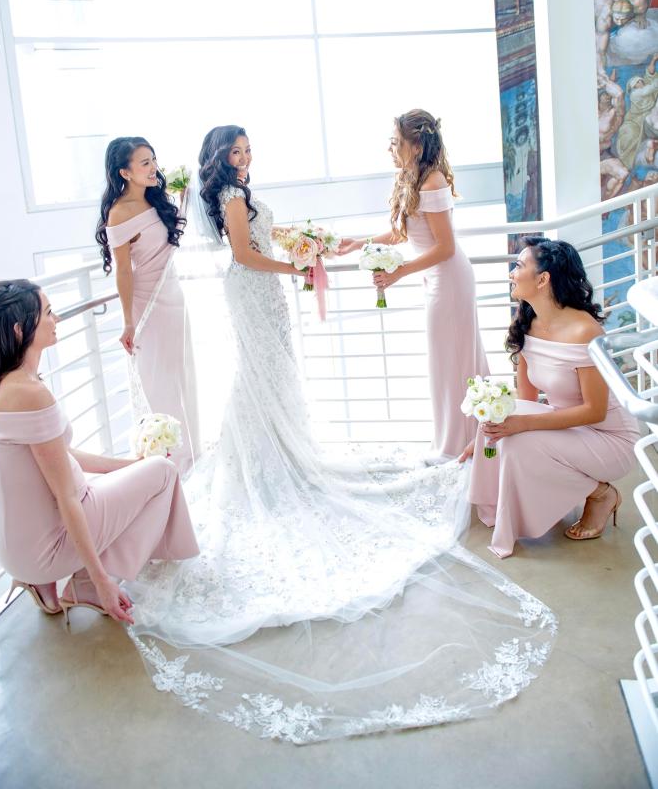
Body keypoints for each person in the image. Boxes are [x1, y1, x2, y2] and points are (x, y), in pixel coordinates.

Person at [122, 124, 556, 744]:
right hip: (255, 287)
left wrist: (308, 246)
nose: (245, 156)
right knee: (259, 375)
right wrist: (296, 265)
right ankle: (263, 463)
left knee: (270, 376)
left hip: (262, 290)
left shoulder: (236, 192)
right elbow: (245, 255)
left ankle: (276, 456)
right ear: (219, 157)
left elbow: (258, 242)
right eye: (235, 151)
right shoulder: (232, 195)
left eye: (248, 148)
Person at [0, 280, 198, 622]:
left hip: (15, 548)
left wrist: (130, 464)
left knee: (134, 475)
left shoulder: (4, 384)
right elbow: (67, 498)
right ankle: (85, 583)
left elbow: (62, 455)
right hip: (43, 549)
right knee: (165, 473)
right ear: (20, 330)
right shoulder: (29, 392)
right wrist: (101, 581)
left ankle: (46, 582)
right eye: (48, 312)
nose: (57, 319)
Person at [468, 238, 638, 559]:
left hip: (609, 438)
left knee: (520, 438)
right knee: (501, 425)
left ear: (543, 279)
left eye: (519, 266)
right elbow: (526, 399)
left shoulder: (584, 332)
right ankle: (505, 504)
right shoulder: (526, 322)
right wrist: (489, 432)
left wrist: (522, 426)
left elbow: (595, 411)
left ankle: (601, 494)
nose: (511, 273)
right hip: (570, 429)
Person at [338, 110, 489, 460]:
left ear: (417, 145)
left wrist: (398, 272)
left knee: (454, 365)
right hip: (437, 280)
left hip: (450, 281)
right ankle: (459, 441)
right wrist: (359, 243)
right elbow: (402, 233)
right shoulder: (413, 178)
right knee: (446, 364)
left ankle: (460, 446)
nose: (390, 149)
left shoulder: (432, 182)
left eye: (396, 143)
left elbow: (446, 247)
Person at [96, 136, 199, 474]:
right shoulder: (118, 213)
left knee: (182, 375)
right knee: (159, 381)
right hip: (148, 305)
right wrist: (127, 322)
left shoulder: (157, 199)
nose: (154, 167)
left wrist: (183, 200)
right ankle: (169, 464)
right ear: (125, 172)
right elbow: (123, 271)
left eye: (153, 159)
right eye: (145, 163)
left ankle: (191, 453)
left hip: (174, 297)